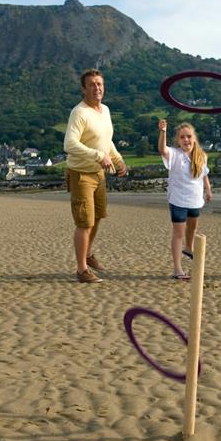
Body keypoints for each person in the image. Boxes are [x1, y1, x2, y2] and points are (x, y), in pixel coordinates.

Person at [63, 68, 127, 283]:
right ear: (84, 89)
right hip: (81, 174)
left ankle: (88, 255)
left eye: (99, 84)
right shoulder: (79, 112)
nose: (96, 88)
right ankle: (82, 270)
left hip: (99, 173)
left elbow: (106, 140)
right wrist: (98, 155)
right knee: (85, 223)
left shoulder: (105, 110)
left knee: (98, 217)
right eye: (91, 84)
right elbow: (69, 144)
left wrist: (118, 159)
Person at [158, 119, 212, 280]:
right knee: (178, 233)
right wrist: (163, 132)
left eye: (189, 136)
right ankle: (177, 269)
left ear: (194, 138)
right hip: (178, 200)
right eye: (182, 137)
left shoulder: (202, 155)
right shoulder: (175, 154)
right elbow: (162, 150)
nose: (186, 140)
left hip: (195, 199)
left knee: (192, 228)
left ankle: (188, 248)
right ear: (178, 140)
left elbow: (204, 174)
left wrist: (208, 190)